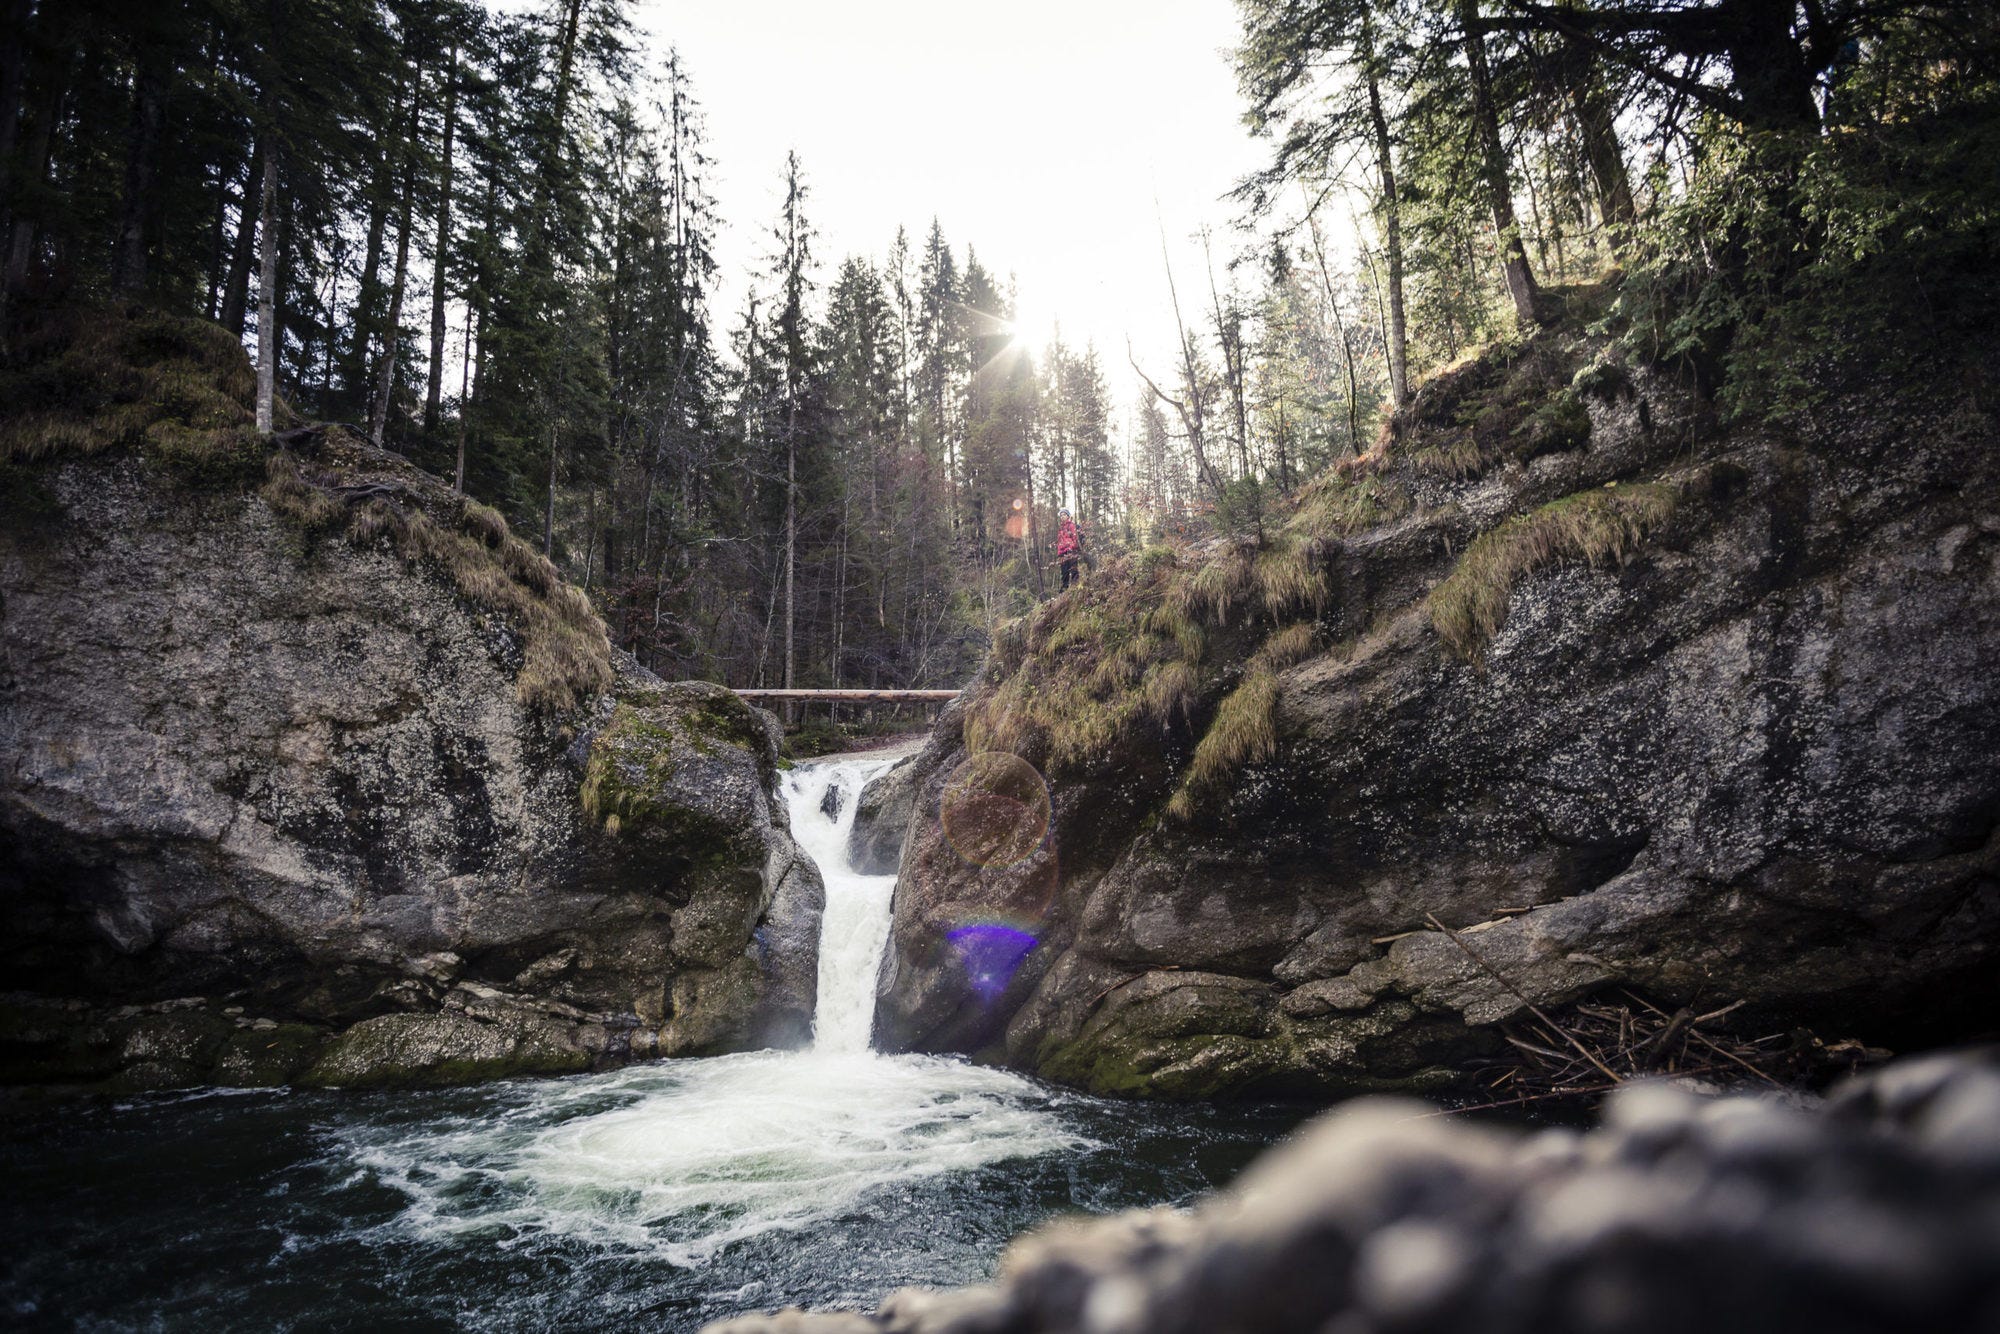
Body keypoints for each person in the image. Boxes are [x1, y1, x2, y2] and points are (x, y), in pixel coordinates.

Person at [1055, 508, 1084, 590]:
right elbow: (1059, 541)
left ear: (1068, 516)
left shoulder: (1072, 525)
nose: (1062, 517)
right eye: (1061, 515)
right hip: (1062, 553)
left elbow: (1075, 538)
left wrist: (1073, 548)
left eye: (1064, 514)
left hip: (1071, 551)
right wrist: (1059, 553)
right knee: (1064, 573)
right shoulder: (1061, 528)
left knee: (1074, 570)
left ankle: (1075, 588)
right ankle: (1064, 590)